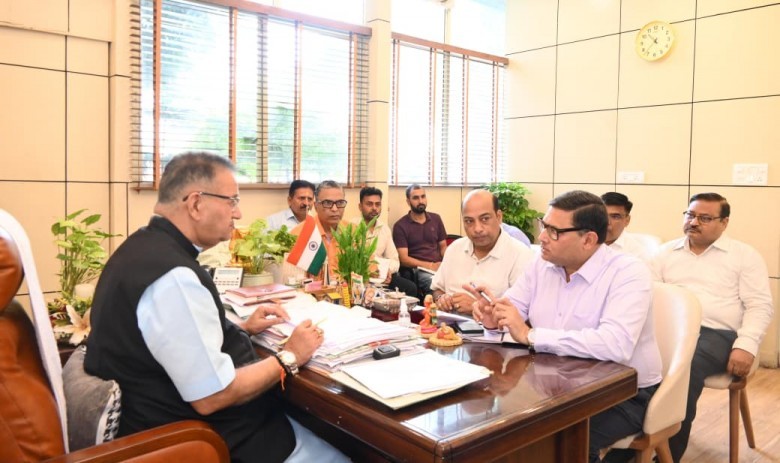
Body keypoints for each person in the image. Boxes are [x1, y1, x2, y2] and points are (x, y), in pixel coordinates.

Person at [85, 152, 347, 463]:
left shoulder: (140, 249)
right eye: (232, 201)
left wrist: (242, 328)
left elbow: (170, 340)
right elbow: (213, 395)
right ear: (196, 204)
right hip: (207, 440)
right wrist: (290, 355)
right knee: (345, 450)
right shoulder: (174, 277)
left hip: (171, 421)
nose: (238, 213)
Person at [467, 190, 662, 463]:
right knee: (497, 429)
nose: (542, 237)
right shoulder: (542, 264)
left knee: (562, 441)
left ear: (588, 240)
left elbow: (615, 344)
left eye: (554, 231)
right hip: (553, 384)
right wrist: (493, 318)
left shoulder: (628, 273)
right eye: (544, 225)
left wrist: (531, 335)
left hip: (625, 393)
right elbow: (512, 309)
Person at [653, 192, 774, 462]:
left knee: (683, 368)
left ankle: (667, 455)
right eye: (690, 215)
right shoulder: (664, 253)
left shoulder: (744, 255)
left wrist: (746, 346)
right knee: (627, 366)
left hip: (717, 335)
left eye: (705, 218)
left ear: (724, 222)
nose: (694, 222)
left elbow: (759, 306)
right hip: (669, 333)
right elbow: (648, 297)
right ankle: (629, 445)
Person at [431, 189, 534, 314]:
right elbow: (437, 288)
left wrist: (478, 307)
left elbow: (522, 312)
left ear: (499, 217)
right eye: (469, 221)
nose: (477, 229)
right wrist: (441, 298)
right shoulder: (454, 249)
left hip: (491, 327)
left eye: (484, 219)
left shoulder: (520, 255)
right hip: (447, 324)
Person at [352, 186, 417, 297]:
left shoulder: (384, 229)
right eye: (369, 204)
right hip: (360, 278)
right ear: (360, 206)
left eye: (378, 204)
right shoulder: (352, 227)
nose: (374, 208)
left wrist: (387, 271)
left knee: (410, 288)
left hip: (382, 277)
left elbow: (394, 260)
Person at [392, 184, 448, 296]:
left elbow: (443, 247)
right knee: (438, 286)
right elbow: (404, 259)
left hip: (440, 267)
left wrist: (447, 263)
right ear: (408, 201)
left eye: (423, 196)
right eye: (416, 198)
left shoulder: (436, 219)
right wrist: (430, 266)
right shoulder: (400, 226)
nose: (421, 201)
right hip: (419, 271)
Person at [290, 180, 347, 282]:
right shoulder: (298, 234)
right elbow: (292, 279)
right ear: (316, 206)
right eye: (328, 203)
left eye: (340, 203)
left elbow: (369, 271)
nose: (335, 209)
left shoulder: (354, 232)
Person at [600, 192, 655, 262]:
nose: (607, 222)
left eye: (615, 217)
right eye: (602, 215)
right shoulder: (587, 242)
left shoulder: (638, 254)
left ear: (627, 220)